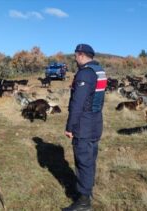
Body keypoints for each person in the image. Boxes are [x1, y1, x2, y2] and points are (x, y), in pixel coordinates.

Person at [63, 44, 107, 211]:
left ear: (81, 55)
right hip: (96, 121)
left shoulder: (85, 73)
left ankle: (83, 201)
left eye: (75, 55)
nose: (74, 58)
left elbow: (78, 103)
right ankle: (87, 192)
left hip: (84, 124)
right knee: (90, 159)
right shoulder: (99, 70)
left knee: (83, 161)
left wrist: (70, 126)